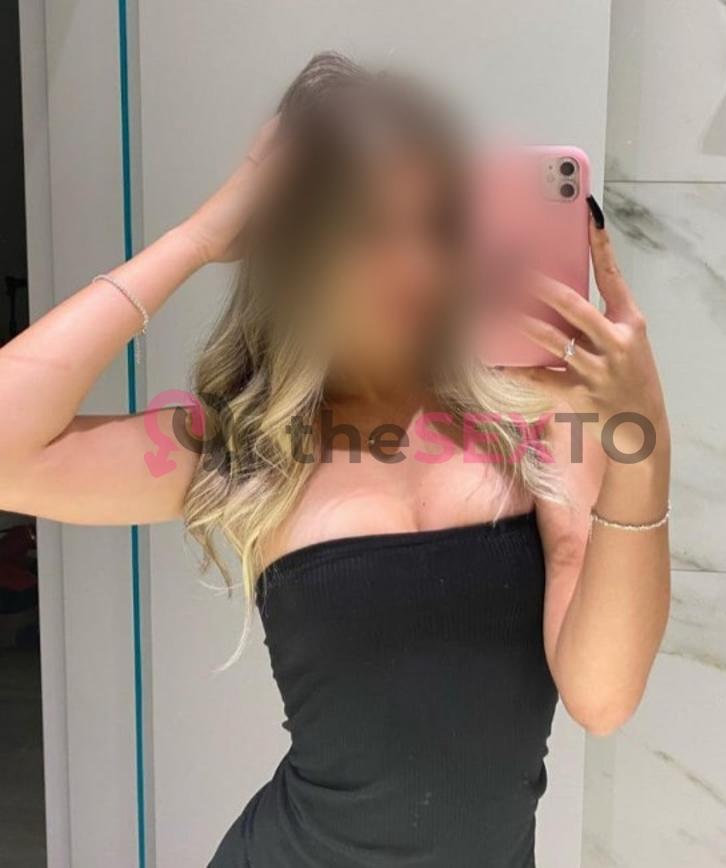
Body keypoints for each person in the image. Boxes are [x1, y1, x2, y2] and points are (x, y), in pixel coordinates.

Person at [0, 53, 671, 867]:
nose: (416, 265)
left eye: (435, 226)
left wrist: (643, 442)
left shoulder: (535, 419)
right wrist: (199, 239)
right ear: (302, 247)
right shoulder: (247, 444)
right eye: (369, 231)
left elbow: (603, 698)